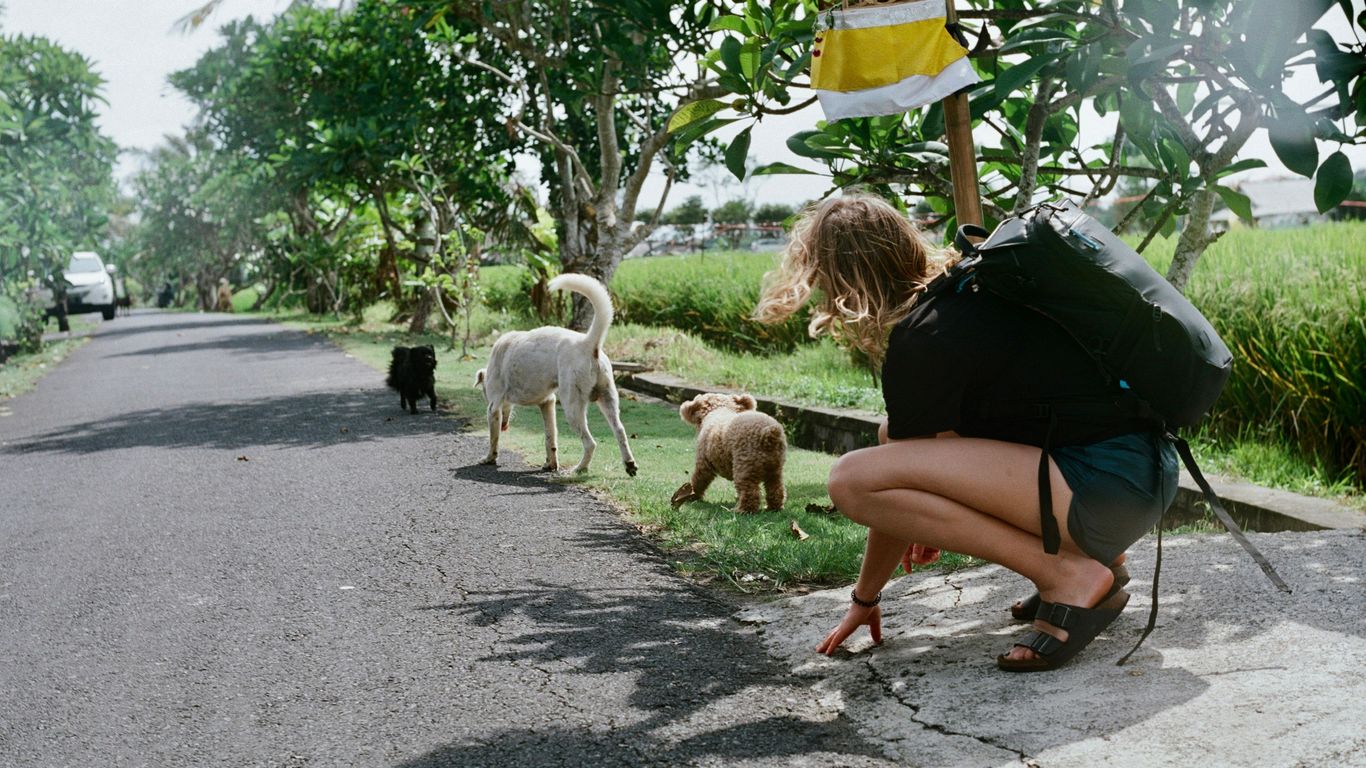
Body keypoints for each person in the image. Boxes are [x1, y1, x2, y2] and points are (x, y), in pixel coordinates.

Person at [753, 193, 1177, 671]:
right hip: (1143, 477)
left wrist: (865, 595)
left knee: (851, 480)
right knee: (893, 436)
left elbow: (884, 486)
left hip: (1103, 491)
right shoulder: (972, 284)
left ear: (843, 279)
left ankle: (1068, 576)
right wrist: (915, 521)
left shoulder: (923, 335)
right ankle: (1106, 564)